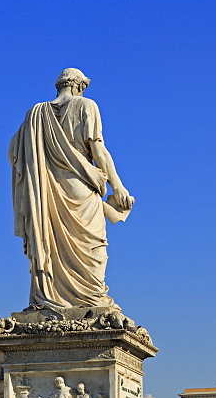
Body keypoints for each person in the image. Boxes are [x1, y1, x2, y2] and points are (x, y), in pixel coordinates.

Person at [10, 68, 134, 312]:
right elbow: (98, 149)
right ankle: (92, 296)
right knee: (93, 247)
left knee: (52, 246)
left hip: (46, 191)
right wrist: (117, 186)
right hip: (80, 188)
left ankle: (53, 296)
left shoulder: (34, 114)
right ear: (79, 86)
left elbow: (14, 151)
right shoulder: (87, 106)